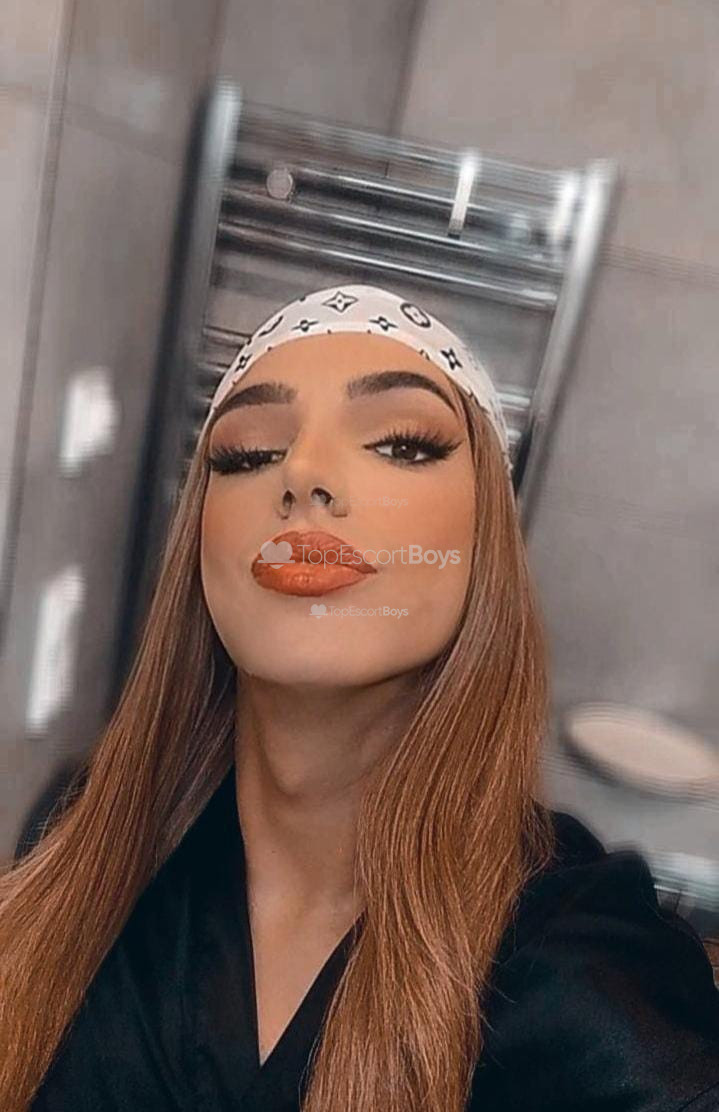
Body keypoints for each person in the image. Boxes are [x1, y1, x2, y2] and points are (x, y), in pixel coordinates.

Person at [1, 284, 718, 1111]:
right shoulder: (77, 845)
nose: (302, 473)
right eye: (246, 454)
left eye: (401, 443)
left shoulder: (586, 972)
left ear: (485, 544)